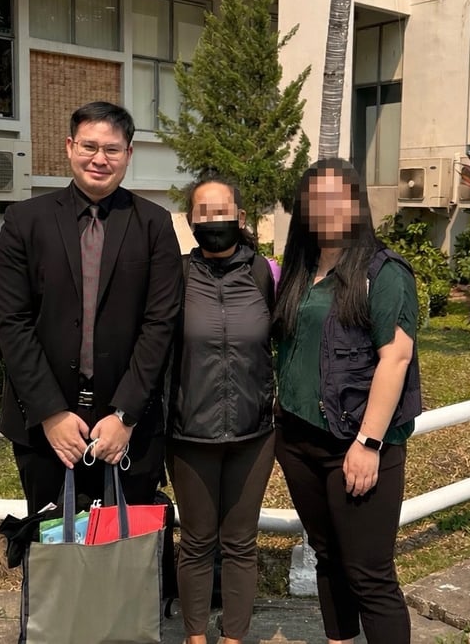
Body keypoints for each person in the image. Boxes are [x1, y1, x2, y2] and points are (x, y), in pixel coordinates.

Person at [0, 100, 183, 515]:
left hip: (129, 425)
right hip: (47, 425)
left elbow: (160, 324)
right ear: (69, 147)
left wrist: (125, 415)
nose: (100, 159)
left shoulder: (154, 224)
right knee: (54, 543)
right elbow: (12, 323)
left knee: (125, 543)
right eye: (89, 146)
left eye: (112, 149)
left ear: (128, 154)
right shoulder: (24, 221)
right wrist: (50, 413)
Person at [273, 158, 422, 644]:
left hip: (355, 444)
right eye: (316, 200)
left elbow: (396, 358)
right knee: (328, 558)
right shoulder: (301, 268)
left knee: (370, 575)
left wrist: (369, 443)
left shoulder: (383, 272)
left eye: (339, 198)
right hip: (298, 440)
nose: (327, 209)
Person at [167, 177, 276, 644]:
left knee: (240, 543)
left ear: (241, 217)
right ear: (191, 220)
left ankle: (234, 638)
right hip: (190, 433)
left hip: (254, 434)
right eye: (204, 212)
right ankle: (194, 636)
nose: (214, 221)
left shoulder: (264, 274)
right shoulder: (175, 276)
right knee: (195, 541)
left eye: (222, 211)